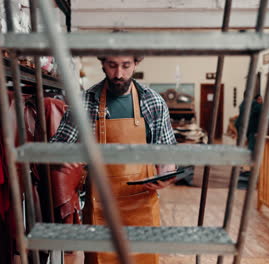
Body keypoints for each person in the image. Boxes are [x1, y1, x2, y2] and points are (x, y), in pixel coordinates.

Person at [50, 54, 177, 264]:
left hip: (142, 207)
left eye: (126, 66)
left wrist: (166, 174)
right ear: (103, 63)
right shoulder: (85, 102)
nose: (119, 74)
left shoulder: (153, 102)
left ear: (136, 63)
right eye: (112, 66)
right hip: (100, 209)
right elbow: (58, 146)